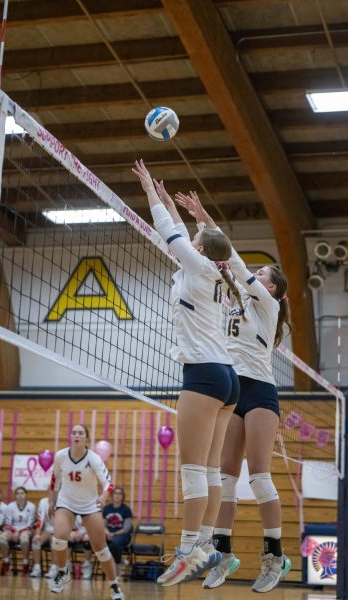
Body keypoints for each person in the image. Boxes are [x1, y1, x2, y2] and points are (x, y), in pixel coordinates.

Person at [175, 191, 292, 593]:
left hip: (261, 391)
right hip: (232, 388)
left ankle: (275, 554)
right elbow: (218, 263)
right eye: (257, 274)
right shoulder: (237, 299)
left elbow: (234, 261)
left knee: (259, 474)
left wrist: (209, 217)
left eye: (264, 275)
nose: (256, 276)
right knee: (225, 477)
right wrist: (203, 224)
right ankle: (222, 553)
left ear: (274, 289)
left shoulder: (267, 306)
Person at [132, 160, 242, 587]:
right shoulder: (216, 270)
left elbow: (168, 231)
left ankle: (187, 549)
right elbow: (186, 236)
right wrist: (169, 202)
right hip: (226, 378)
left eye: (195, 239)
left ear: (200, 249)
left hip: (204, 376)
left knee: (194, 470)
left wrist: (148, 193)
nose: (190, 242)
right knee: (210, 471)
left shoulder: (197, 267)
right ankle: (210, 546)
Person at [48, 424, 125, 599]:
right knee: (58, 539)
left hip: (90, 505)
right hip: (66, 502)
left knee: (101, 550)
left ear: (86, 439)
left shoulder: (94, 458)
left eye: (80, 433)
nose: (76, 435)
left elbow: (109, 483)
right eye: (73, 432)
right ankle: (62, 572)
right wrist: (52, 500)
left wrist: (104, 496)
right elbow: (54, 478)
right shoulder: (60, 456)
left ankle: (114, 586)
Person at [0, 486, 36, 576]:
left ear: (26, 495)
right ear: (15, 495)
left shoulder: (32, 506)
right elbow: (8, 523)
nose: (20, 495)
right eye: (18, 493)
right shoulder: (10, 506)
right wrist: (13, 531)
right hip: (13, 529)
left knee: (24, 538)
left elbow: (30, 524)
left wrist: (18, 533)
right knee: (2, 538)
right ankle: (6, 560)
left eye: (22, 493)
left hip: (27, 530)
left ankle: (25, 562)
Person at [103, 487, 133, 576]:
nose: (117, 496)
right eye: (116, 493)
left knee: (114, 544)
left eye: (120, 494)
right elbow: (103, 524)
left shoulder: (126, 510)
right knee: (99, 543)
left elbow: (127, 528)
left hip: (123, 535)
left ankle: (118, 562)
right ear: (112, 496)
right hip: (108, 534)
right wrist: (107, 532)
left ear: (123, 496)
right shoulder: (107, 508)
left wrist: (114, 533)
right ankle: (120, 561)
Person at [30, 495, 57, 578]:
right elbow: (40, 519)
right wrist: (37, 534)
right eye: (50, 490)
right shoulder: (43, 501)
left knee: (55, 541)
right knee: (36, 541)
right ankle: (37, 568)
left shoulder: (63, 501)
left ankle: (54, 568)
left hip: (60, 529)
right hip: (48, 528)